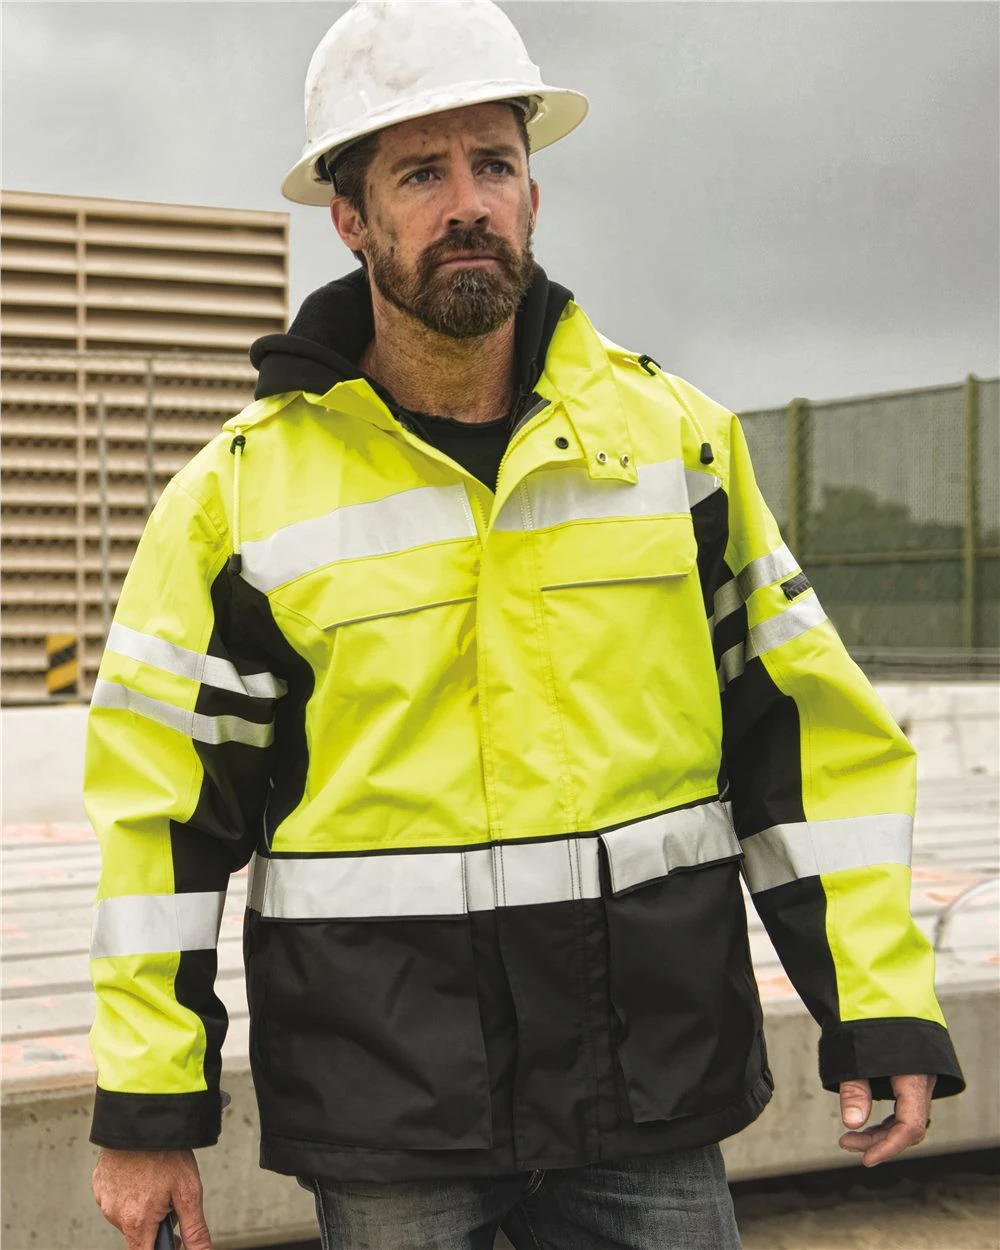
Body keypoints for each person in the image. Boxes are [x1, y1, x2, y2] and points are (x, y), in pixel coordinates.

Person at [87, 2, 964, 1248]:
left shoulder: (677, 447)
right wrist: (147, 1108)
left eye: (493, 165)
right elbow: (159, 826)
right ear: (350, 218)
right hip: (397, 1117)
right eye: (420, 173)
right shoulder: (236, 501)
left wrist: (875, 1004)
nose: (468, 204)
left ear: (533, 195)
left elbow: (806, 743)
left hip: (645, 1094)